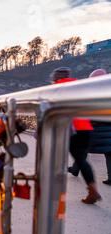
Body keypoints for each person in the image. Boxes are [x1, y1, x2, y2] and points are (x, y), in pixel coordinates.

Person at [51, 67, 102, 204]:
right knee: (81, 159)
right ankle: (93, 190)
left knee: (55, 154)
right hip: (86, 127)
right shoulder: (79, 86)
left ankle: (51, 188)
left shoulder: (56, 89)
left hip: (71, 129)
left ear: (56, 78)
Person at [69, 69, 111, 186]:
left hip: (94, 130)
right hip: (108, 131)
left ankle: (75, 170)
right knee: (109, 153)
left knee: (81, 150)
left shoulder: (90, 93)